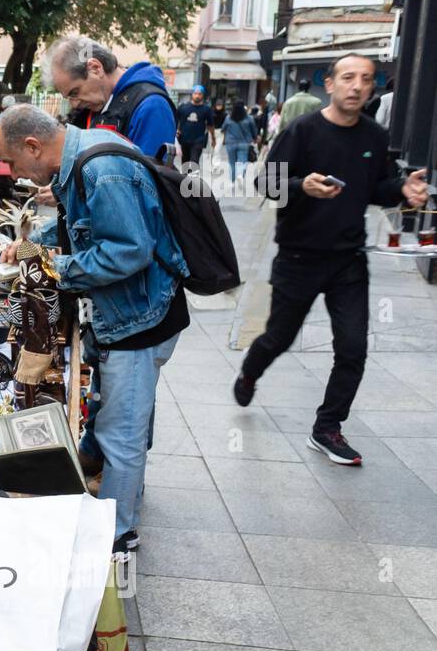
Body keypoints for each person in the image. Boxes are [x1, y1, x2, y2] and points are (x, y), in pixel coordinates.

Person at [0, 104, 190, 559]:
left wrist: (51, 265)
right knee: (122, 412)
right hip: (127, 313)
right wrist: (34, 244)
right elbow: (81, 226)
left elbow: (128, 250)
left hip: (140, 319)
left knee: (123, 431)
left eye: (11, 161)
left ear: (33, 146)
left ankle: (117, 535)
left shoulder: (103, 169)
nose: (12, 171)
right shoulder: (81, 156)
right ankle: (110, 478)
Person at [235, 53, 429, 465]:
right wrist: (300, 184)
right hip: (299, 256)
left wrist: (403, 191)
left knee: (353, 347)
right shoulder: (302, 131)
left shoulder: (375, 137)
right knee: (279, 338)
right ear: (330, 84)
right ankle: (252, 370)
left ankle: (327, 428)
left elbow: (377, 187)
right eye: (348, 78)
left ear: (372, 87)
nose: (357, 86)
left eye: (365, 79)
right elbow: (265, 183)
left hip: (348, 260)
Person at [44, 36, 177, 161]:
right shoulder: (99, 104)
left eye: (74, 92)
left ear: (95, 68)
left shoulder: (152, 105)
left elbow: (149, 182)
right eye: (69, 97)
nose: (74, 104)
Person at [175, 85, 214, 168]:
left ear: (202, 95)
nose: (197, 96)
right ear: (192, 94)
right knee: (185, 162)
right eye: (195, 93)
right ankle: (185, 179)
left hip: (198, 140)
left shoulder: (206, 109)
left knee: (194, 161)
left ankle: (193, 180)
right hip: (184, 139)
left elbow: (210, 125)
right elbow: (176, 119)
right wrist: (176, 130)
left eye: (199, 94)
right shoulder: (183, 107)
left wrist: (213, 138)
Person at [220, 101, 258, 185]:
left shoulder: (228, 118)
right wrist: (255, 138)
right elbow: (254, 130)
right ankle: (240, 175)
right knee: (242, 160)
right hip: (244, 143)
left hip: (230, 143)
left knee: (232, 162)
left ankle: (232, 181)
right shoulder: (249, 118)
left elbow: (223, 129)